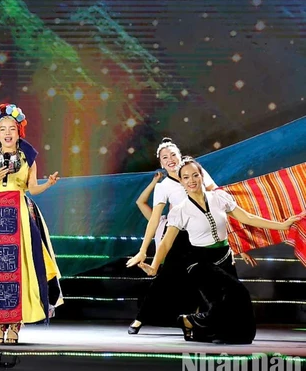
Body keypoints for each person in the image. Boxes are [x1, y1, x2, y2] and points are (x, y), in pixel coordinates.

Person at [138, 157, 304, 344]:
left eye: (195, 175)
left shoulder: (219, 198)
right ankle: (192, 321)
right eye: (186, 177)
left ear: (202, 176)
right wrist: (154, 266)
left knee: (240, 328)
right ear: (181, 182)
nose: (191, 180)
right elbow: (166, 242)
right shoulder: (180, 210)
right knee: (239, 293)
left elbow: (247, 218)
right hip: (200, 262)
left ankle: (193, 324)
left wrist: (282, 225)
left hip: (224, 257)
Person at [0, 103, 63, 344]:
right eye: (3, 129)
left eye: (12, 129)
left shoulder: (28, 158)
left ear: (19, 133)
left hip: (19, 215)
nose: (7, 133)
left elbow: (32, 189)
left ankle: (15, 325)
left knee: (20, 269)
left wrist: (48, 184)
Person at [125, 137, 218, 335]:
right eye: (165, 157)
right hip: (179, 237)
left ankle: (197, 322)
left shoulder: (196, 172)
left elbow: (218, 197)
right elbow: (154, 219)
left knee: (204, 279)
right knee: (164, 279)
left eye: (173, 155)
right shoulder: (163, 186)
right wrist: (143, 250)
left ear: (180, 156)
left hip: (204, 233)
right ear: (161, 163)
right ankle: (139, 319)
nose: (170, 160)